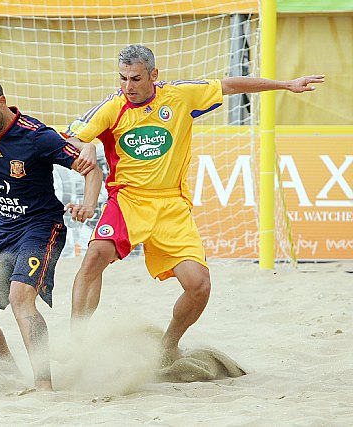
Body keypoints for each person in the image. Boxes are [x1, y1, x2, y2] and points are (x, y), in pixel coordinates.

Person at [66, 44, 325, 365]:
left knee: (199, 285)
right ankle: (76, 343)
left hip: (172, 206)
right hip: (128, 200)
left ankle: (167, 347)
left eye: (135, 79)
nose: (127, 87)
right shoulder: (112, 107)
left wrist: (284, 84)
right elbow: (72, 136)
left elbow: (230, 85)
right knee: (94, 257)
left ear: (154, 75)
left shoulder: (180, 96)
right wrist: (86, 145)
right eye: (122, 79)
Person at [0, 74, 103, 391]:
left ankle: (44, 385)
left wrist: (88, 205)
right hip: (3, 229)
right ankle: (8, 374)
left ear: (1, 102)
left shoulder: (36, 136)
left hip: (41, 227)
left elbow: (92, 169)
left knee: (21, 298)